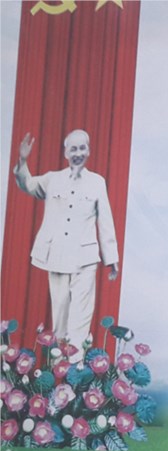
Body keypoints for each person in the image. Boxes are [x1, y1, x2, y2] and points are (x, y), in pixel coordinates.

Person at [13, 130, 119, 361]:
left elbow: (105, 219)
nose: (78, 153)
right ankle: (58, 366)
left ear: (88, 151)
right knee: (60, 313)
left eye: (82, 148)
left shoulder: (97, 182)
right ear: (66, 153)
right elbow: (27, 184)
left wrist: (111, 258)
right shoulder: (52, 179)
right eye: (73, 149)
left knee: (81, 315)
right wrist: (22, 161)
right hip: (58, 255)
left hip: (85, 258)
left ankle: (76, 366)